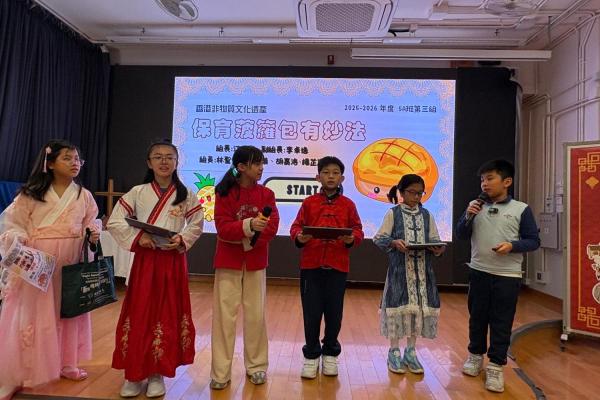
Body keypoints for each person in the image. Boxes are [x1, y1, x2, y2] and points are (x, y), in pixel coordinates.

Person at [0, 140, 101, 400]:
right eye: (67, 158)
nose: (75, 163)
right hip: (39, 263)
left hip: (70, 262)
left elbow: (91, 220)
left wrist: (92, 232)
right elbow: (12, 223)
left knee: (68, 311)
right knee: (30, 313)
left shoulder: (83, 195)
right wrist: (19, 238)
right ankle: (19, 372)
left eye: (77, 158)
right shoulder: (31, 193)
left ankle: (67, 362)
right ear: (51, 163)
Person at [107, 139, 204, 398]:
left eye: (169, 157)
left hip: (172, 261)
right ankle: (133, 373)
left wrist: (181, 239)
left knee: (167, 312)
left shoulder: (186, 194)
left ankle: (156, 373)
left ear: (177, 162)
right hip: (146, 260)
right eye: (158, 157)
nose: (164, 161)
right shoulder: (138, 192)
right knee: (140, 311)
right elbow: (115, 221)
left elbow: (196, 223)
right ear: (149, 163)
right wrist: (140, 237)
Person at [456, 159, 540, 393]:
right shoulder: (475, 206)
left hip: (507, 275)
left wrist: (512, 246)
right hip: (479, 271)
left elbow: (533, 241)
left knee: (501, 321)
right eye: (482, 179)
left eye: (490, 178)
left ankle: (495, 365)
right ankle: (475, 356)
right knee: (477, 318)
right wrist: (468, 215)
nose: (484, 183)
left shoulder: (521, 209)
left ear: (507, 181)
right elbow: (461, 234)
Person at [210, 145, 279, 390]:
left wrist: (252, 232)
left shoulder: (267, 194)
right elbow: (222, 228)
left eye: (262, 163)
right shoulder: (225, 192)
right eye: (256, 163)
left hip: (256, 263)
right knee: (224, 318)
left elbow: (272, 227)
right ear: (241, 167)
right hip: (228, 262)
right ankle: (220, 372)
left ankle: (257, 366)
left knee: (256, 315)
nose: (261, 168)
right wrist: (250, 225)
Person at [290, 156, 364, 379]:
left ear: (342, 178)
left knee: (334, 313)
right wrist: (300, 236)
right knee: (311, 313)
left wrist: (352, 239)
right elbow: (296, 227)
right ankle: (311, 355)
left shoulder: (349, 204)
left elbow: (358, 229)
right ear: (318, 177)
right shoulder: (309, 203)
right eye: (326, 172)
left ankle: (330, 353)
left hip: (337, 267)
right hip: (311, 266)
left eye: (335, 173)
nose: (330, 176)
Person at [373, 174, 445, 375]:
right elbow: (379, 238)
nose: (416, 197)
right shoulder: (393, 213)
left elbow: (435, 239)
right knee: (397, 308)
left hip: (423, 272)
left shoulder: (427, 215)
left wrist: (438, 248)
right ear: (401, 192)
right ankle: (394, 351)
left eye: (420, 193)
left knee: (418, 310)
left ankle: (411, 351)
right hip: (400, 271)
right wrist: (394, 242)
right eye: (412, 192)